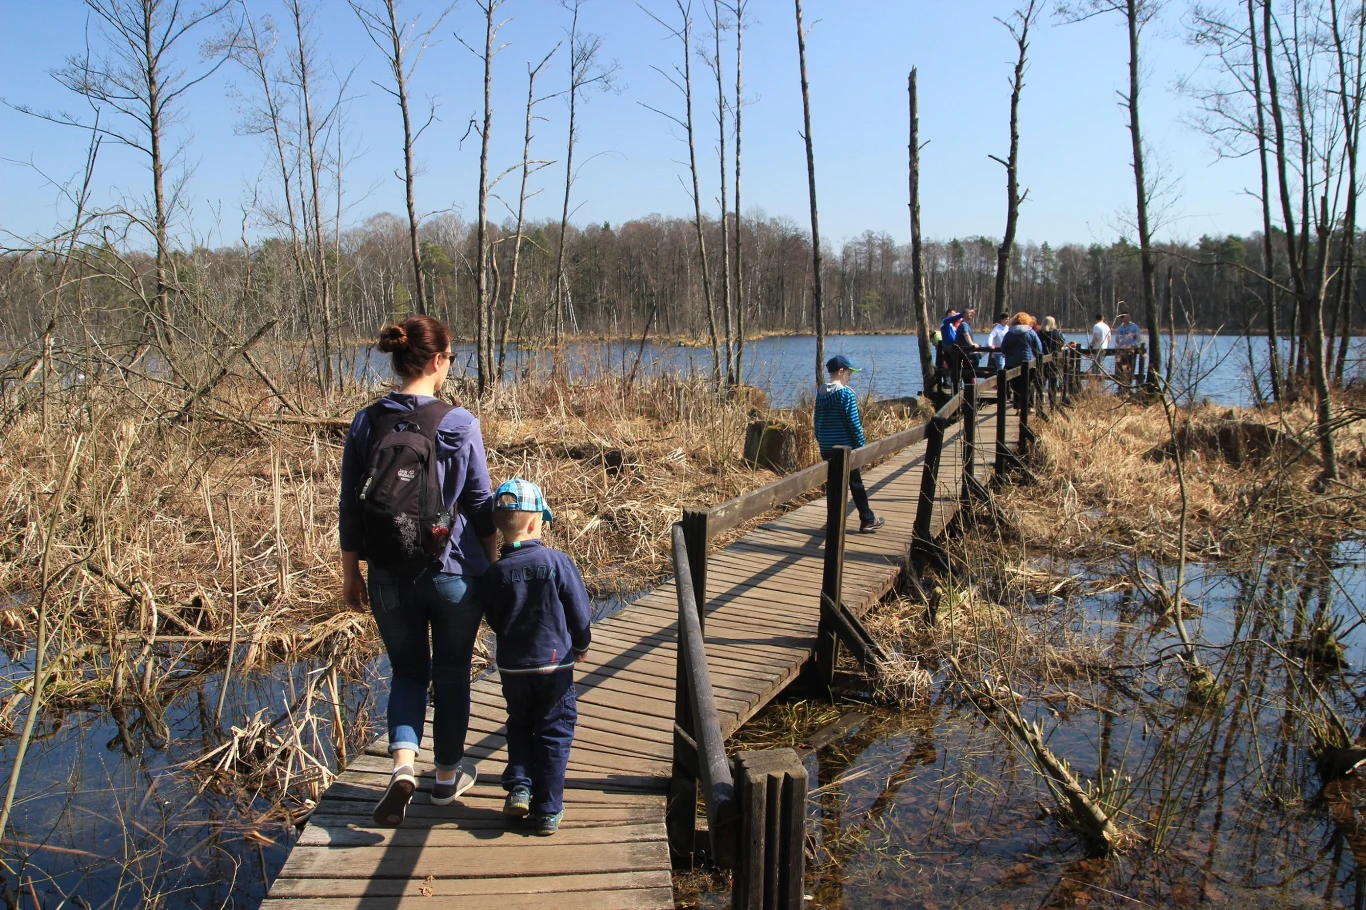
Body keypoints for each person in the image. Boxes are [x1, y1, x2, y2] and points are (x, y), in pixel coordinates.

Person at [339, 315, 498, 828]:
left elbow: (350, 506)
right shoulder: (459, 423)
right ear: (435, 361)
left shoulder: (367, 421)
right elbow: (478, 502)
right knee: (452, 675)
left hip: (387, 571)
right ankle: (447, 780)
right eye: (451, 358)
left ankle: (404, 765)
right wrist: (496, 563)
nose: (451, 366)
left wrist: (351, 573)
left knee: (407, 672)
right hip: (454, 575)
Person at [483, 478, 591, 837]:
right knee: (554, 729)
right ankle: (548, 809)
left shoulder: (494, 573)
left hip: (513, 667)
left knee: (519, 723)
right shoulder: (557, 562)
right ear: (534, 523)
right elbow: (578, 610)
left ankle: (520, 785)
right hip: (554, 665)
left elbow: (495, 620)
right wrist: (581, 642)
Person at [815, 354, 884, 533]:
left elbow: (816, 422)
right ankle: (867, 519)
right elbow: (853, 423)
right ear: (840, 371)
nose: (850, 376)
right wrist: (861, 444)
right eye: (849, 372)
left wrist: (821, 441)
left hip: (826, 447)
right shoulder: (846, 394)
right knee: (856, 483)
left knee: (833, 486)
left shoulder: (820, 393)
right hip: (846, 448)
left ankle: (834, 523)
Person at [1001, 312, 1044, 409]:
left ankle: (1017, 405)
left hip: (1012, 363)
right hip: (1028, 362)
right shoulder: (1030, 332)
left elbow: (1003, 347)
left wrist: (1006, 353)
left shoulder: (1009, 333)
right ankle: (1029, 405)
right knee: (1028, 384)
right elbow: (1039, 348)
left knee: (1015, 385)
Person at [939, 309, 969, 391]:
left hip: (954, 348)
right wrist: (962, 314)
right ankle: (953, 385)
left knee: (957, 367)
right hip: (948, 348)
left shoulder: (952, 326)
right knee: (952, 367)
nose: (955, 315)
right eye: (953, 313)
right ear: (948, 314)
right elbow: (953, 319)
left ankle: (958, 385)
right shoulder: (945, 321)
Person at [1113, 311, 1142, 391]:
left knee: (1129, 369)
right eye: (1127, 316)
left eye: (1129, 316)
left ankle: (1128, 387)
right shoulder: (1119, 329)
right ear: (1122, 318)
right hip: (1121, 352)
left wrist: (1133, 346)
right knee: (1120, 369)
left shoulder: (1134, 327)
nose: (1129, 318)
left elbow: (1138, 339)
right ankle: (1120, 387)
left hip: (1131, 352)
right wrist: (1117, 348)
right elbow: (1117, 340)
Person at [1089, 312, 1112, 383]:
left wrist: (1091, 345)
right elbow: (1109, 339)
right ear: (1103, 318)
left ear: (1096, 319)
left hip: (1097, 348)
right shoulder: (1107, 327)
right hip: (1104, 348)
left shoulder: (1096, 326)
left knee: (1096, 366)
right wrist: (1106, 346)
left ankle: (1097, 383)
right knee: (1100, 365)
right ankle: (1099, 383)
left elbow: (1096, 337)